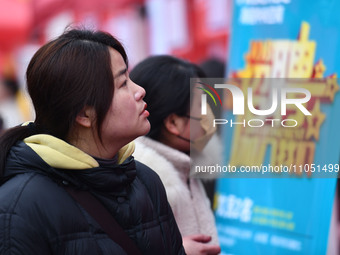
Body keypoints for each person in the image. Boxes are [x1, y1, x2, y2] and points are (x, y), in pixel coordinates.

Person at [0, 29, 185, 255]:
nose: (140, 91)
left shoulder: (146, 181)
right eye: (123, 83)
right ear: (84, 114)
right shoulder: (19, 206)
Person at [130, 55, 221, 255]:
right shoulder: (141, 182)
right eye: (200, 106)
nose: (209, 115)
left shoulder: (188, 164)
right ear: (173, 123)